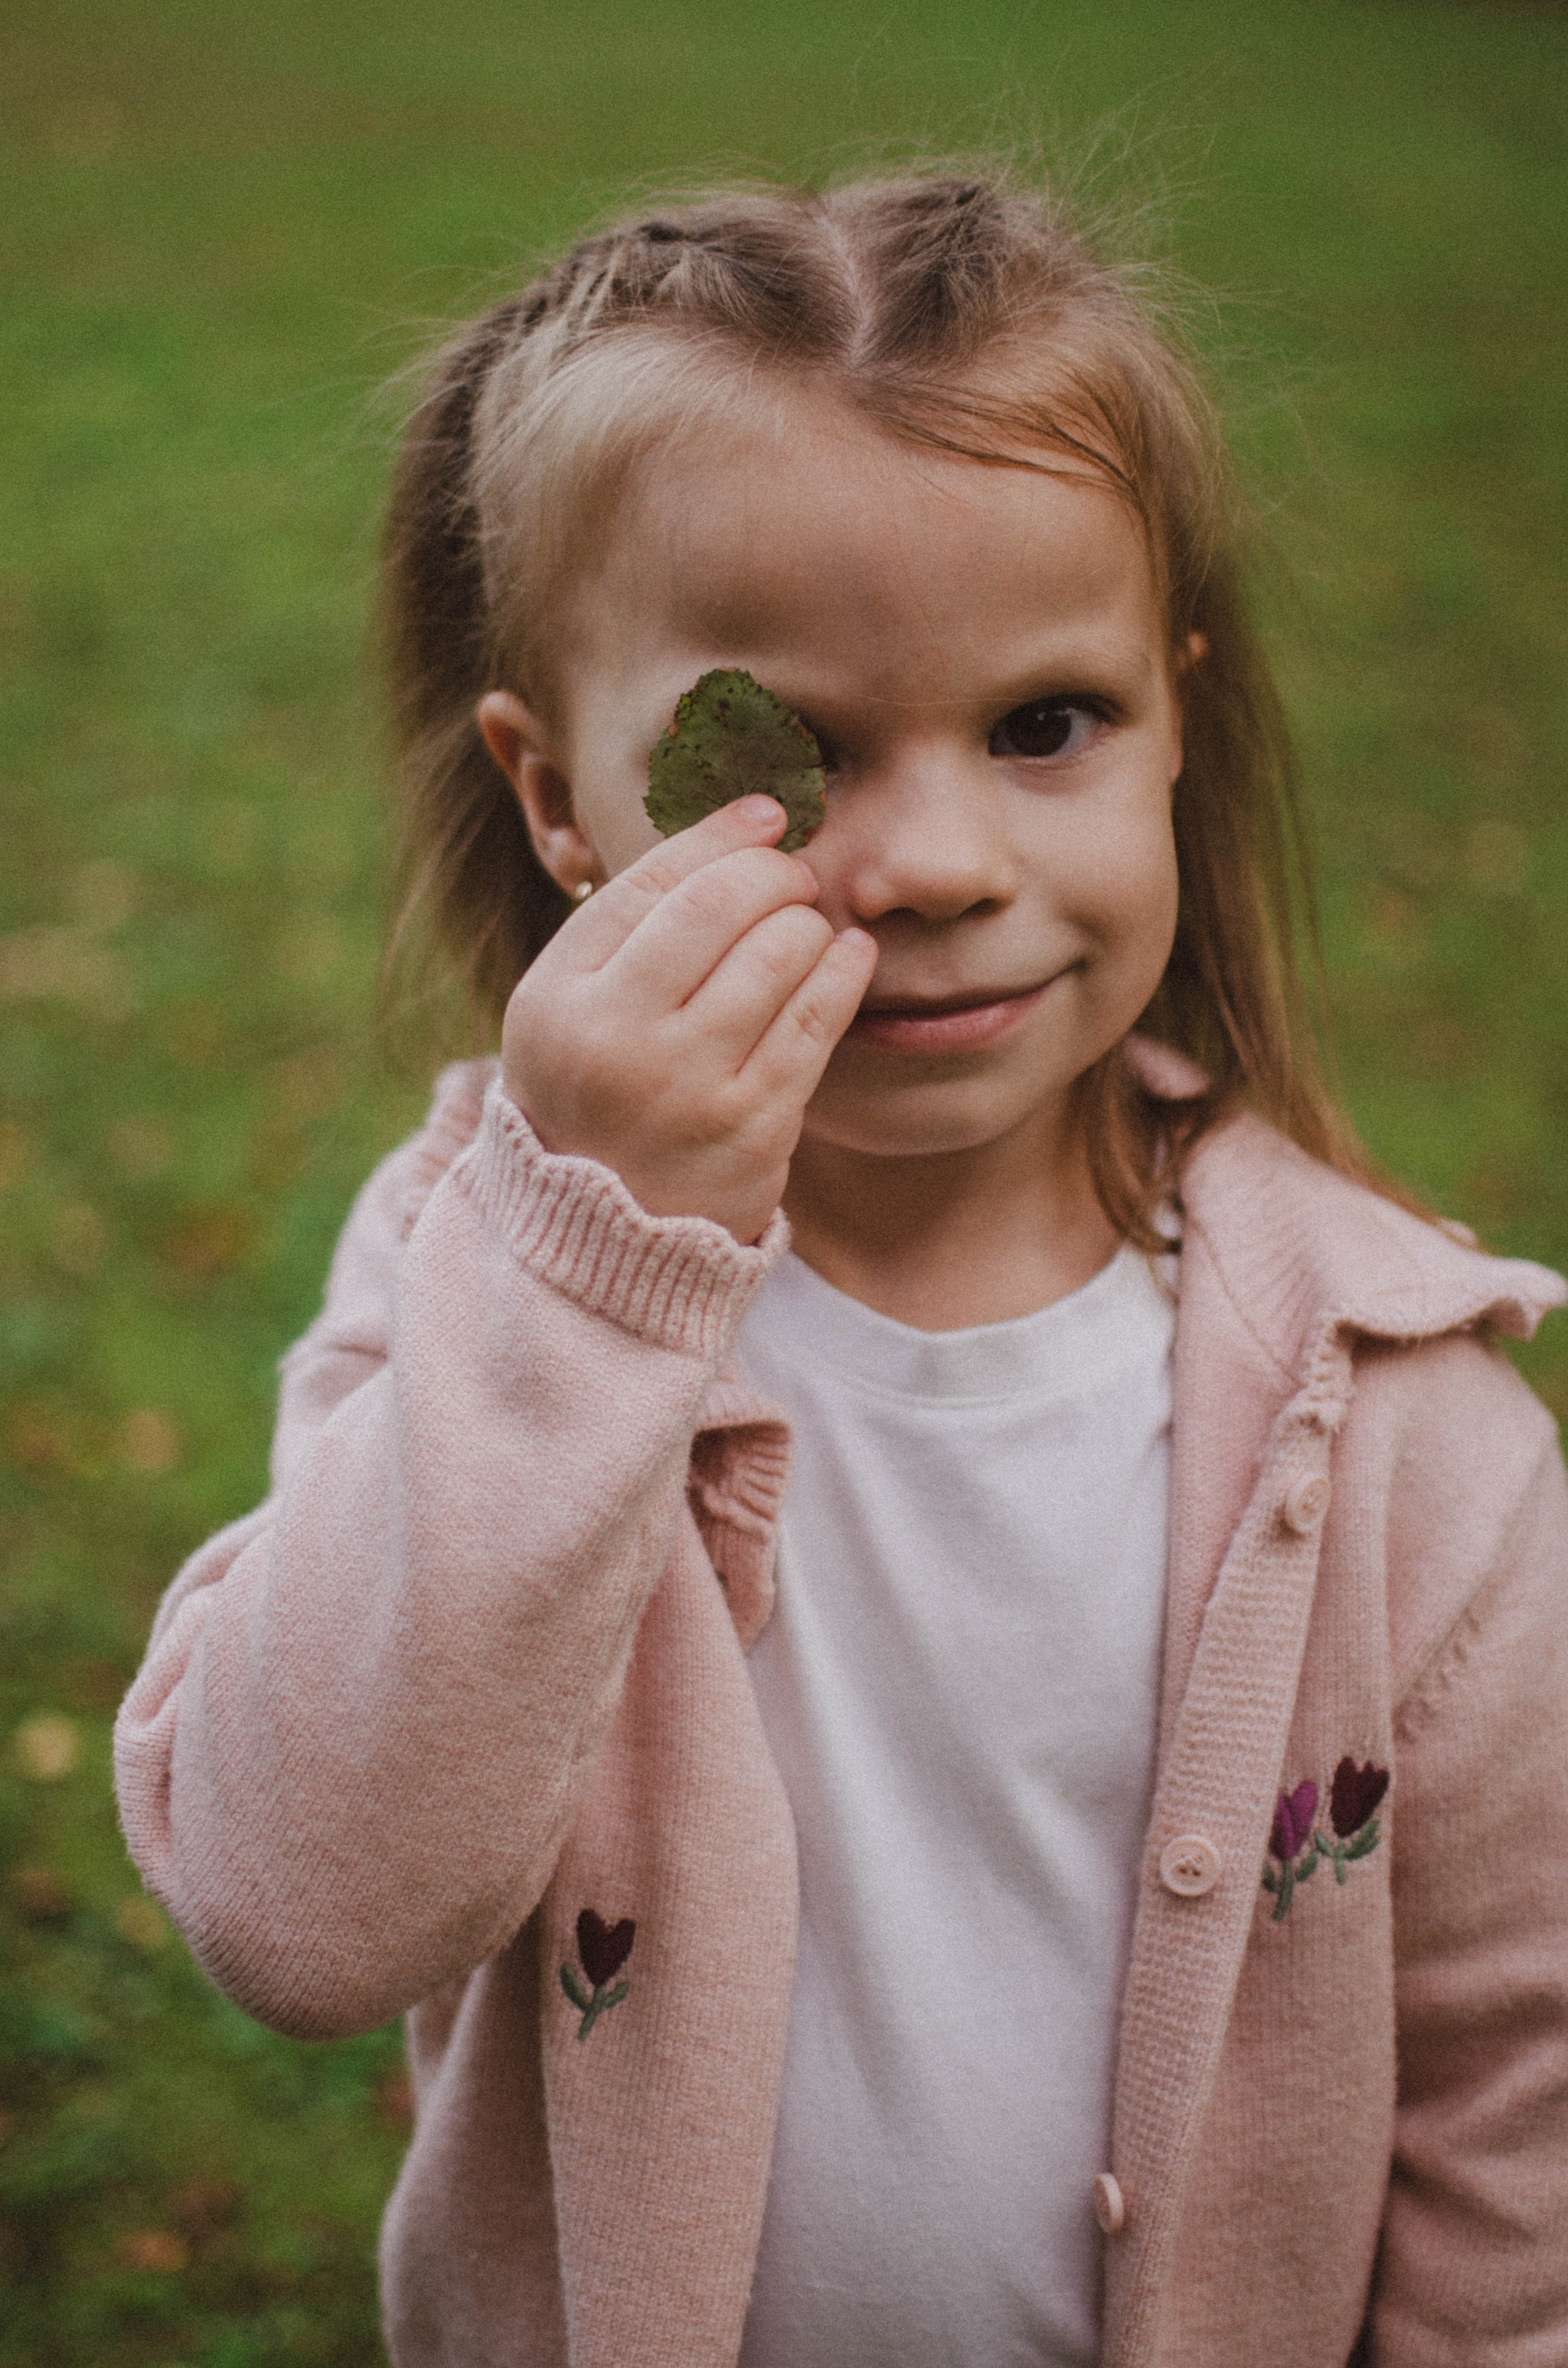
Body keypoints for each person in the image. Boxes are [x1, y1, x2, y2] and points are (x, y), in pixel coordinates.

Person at [113, 173, 1568, 2368]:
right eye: (775, 755)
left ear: (1175, 717)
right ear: (559, 801)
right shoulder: (477, 1283)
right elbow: (298, 1909)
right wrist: (587, 1275)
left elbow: (1516, 2111)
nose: (936, 865)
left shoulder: (1395, 1419)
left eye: (1045, 722)